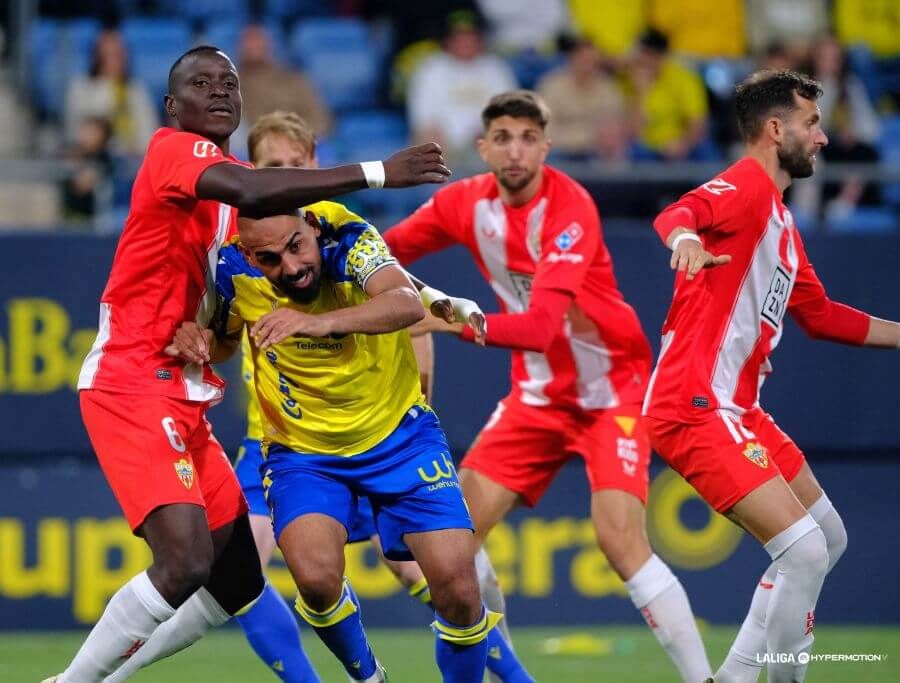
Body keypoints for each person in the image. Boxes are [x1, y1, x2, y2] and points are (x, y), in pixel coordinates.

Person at [43, 45, 449, 683]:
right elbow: (256, 186)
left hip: (181, 383)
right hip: (131, 376)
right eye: (202, 83)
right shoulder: (175, 151)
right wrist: (377, 171)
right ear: (172, 105)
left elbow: (233, 282)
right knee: (184, 562)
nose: (220, 91)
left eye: (229, 83)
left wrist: (200, 330)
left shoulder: (234, 203)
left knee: (235, 578)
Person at [384, 90, 713, 683]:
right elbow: (378, 253)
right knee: (450, 543)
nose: (515, 151)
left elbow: (539, 328)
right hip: (536, 397)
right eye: (503, 138)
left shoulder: (570, 209)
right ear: (483, 148)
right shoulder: (463, 203)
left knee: (620, 542)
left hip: (611, 392)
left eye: (528, 139)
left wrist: (445, 317)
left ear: (546, 148)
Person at [226, 110, 530, 683]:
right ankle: (368, 677)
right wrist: (195, 337)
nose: (290, 266)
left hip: (394, 435)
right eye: (272, 168)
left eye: (294, 166)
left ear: (313, 168)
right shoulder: (230, 257)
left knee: (456, 587)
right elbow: (215, 333)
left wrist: (321, 324)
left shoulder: (345, 232)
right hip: (295, 443)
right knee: (291, 579)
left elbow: (406, 307)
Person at [643, 69, 900, 682]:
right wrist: (684, 239)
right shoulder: (748, 186)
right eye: (813, 123)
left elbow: (822, 315)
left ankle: (733, 678)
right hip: (694, 404)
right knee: (804, 551)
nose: (823, 138)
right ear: (777, 129)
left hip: (739, 409)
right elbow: (680, 212)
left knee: (827, 538)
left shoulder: (780, 223)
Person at [64, 28, 158, 157]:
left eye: (118, 54)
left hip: (132, 158)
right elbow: (74, 129)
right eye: (107, 55)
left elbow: (149, 131)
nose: (114, 60)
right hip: (90, 157)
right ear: (97, 56)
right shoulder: (82, 87)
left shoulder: (135, 89)